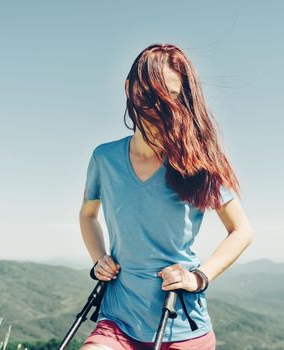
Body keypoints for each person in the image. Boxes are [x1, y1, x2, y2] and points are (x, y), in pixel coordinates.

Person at [78, 43, 254, 350]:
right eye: (148, 96)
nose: (158, 109)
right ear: (128, 88)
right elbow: (88, 214)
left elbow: (242, 231)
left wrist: (199, 277)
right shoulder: (104, 159)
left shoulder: (199, 162)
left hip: (182, 323)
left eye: (170, 98)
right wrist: (99, 259)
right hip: (117, 320)